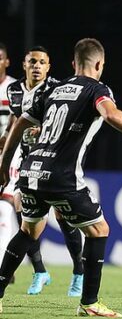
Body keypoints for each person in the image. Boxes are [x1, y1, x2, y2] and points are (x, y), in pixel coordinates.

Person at [0, 38, 122, 317]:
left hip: (31, 171)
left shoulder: (52, 89)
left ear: (73, 64)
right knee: (98, 230)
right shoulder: (97, 89)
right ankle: (89, 302)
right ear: (100, 64)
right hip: (61, 175)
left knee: (29, 232)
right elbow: (111, 114)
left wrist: (5, 166)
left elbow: (18, 123)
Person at [4, 46, 86, 296]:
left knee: (63, 216)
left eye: (42, 62)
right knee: (22, 212)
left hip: (56, 160)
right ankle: (40, 270)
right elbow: (14, 120)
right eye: (32, 62)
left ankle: (78, 274)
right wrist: (7, 139)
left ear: (49, 67)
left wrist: (45, 130)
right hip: (27, 161)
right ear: (24, 65)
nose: (37, 66)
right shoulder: (14, 89)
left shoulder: (56, 89)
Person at [0, 42, 17, 266]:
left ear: (6, 62)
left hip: (10, 157)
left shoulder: (14, 89)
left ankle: (3, 263)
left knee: (5, 208)